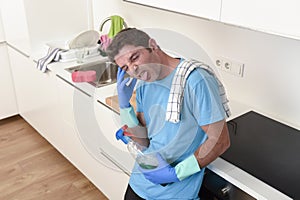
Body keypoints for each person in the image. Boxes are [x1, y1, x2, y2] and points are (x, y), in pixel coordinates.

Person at [106, 28, 231, 200]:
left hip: (174, 193)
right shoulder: (144, 83)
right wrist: (125, 107)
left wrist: (176, 173)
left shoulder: (195, 80)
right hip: (139, 184)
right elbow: (145, 140)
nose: (133, 69)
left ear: (152, 45)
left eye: (134, 57)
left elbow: (220, 141)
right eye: (125, 67)